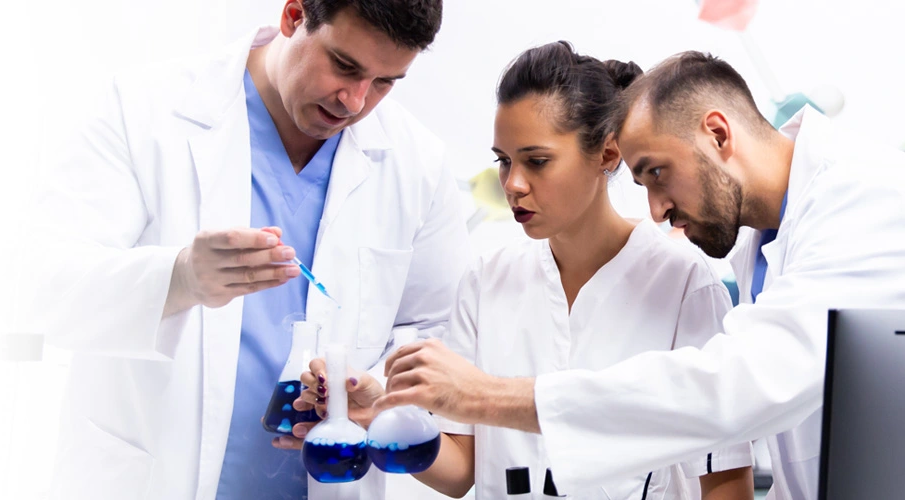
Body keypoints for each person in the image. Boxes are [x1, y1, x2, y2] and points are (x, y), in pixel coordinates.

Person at [368, 51, 905, 500]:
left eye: (657, 173)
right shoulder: (762, 245)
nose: (656, 209)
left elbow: (738, 389)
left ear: (717, 134)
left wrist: (484, 397)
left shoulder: (868, 199)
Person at [17, 1, 469, 498]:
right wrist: (179, 278)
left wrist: (365, 389)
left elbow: (432, 332)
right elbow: (41, 284)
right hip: (151, 477)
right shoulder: (143, 109)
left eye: (384, 82)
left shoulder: (418, 165)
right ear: (293, 16)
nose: (356, 102)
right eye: (345, 66)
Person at [284, 42, 754, 499]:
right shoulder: (486, 281)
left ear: (608, 154)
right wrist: (380, 416)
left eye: (537, 161)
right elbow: (460, 472)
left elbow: (725, 481)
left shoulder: (684, 283)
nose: (513, 184)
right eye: (504, 161)